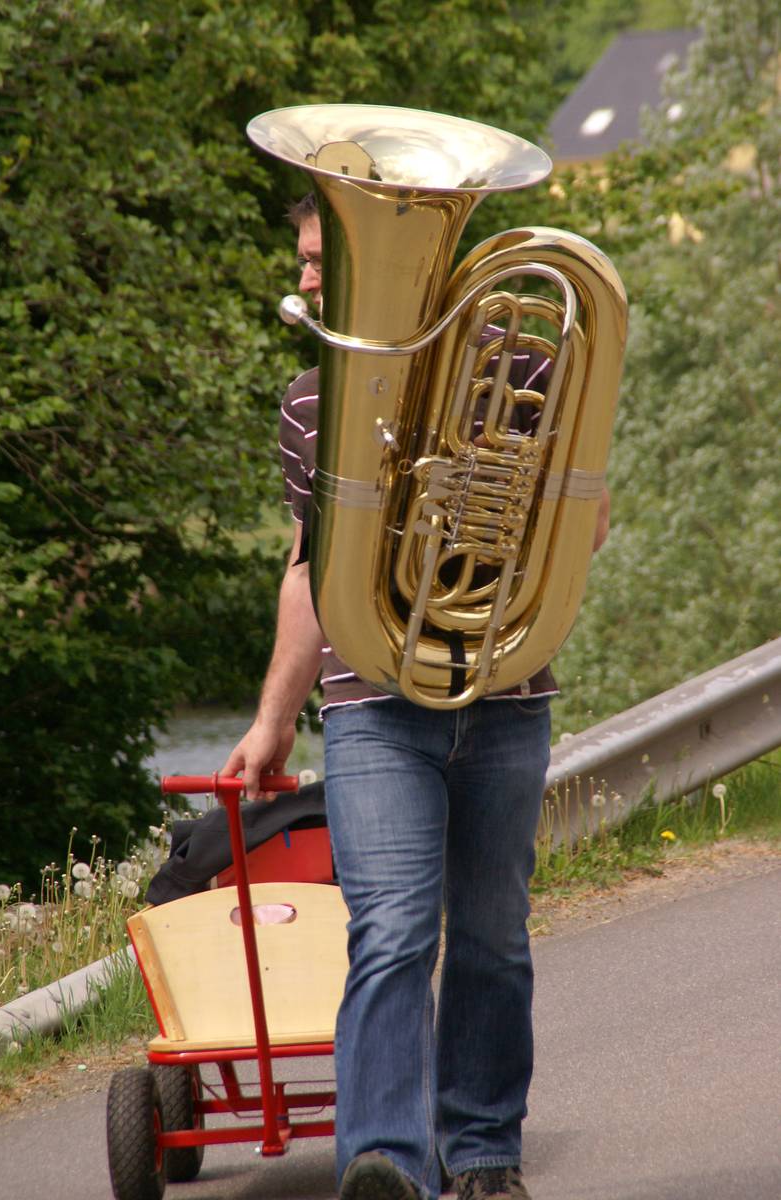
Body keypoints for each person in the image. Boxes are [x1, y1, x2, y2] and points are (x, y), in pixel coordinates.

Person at [222, 193, 610, 1200]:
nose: (307, 278)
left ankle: (480, 1155)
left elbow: (588, 526)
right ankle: (385, 1162)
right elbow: (308, 573)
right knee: (390, 933)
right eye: (307, 258)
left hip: (502, 688)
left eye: (320, 257)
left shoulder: (526, 367)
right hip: (371, 706)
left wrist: (503, 486)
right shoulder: (310, 403)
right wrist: (271, 720)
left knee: (491, 940)